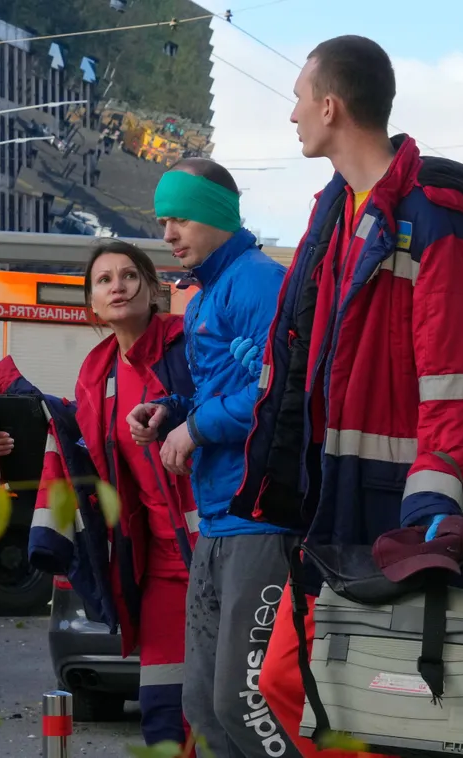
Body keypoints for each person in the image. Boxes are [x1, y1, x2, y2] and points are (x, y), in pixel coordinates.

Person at [224, 35, 463, 757]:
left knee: (374, 713)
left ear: (329, 106)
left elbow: (455, 386)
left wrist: (432, 511)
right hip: (338, 508)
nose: (291, 115)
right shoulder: (335, 213)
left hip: (401, 519)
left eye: (297, 98)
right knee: (298, 688)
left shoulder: (434, 219)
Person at [124, 158, 294, 756]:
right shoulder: (201, 296)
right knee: (201, 704)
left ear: (218, 216)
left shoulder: (257, 283)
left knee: (244, 704)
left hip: (259, 518)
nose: (168, 234)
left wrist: (195, 429)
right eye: (163, 221)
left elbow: (282, 393)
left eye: (180, 219)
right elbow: (221, 386)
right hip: (218, 516)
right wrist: (171, 410)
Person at [23, 240, 199, 747]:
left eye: (128, 275)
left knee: (229, 701)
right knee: (165, 709)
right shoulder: (96, 371)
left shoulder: (188, 344)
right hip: (161, 563)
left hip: (218, 549)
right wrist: (0, 440)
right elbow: (74, 447)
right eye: (104, 280)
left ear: (152, 288)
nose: (117, 285)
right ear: (92, 306)